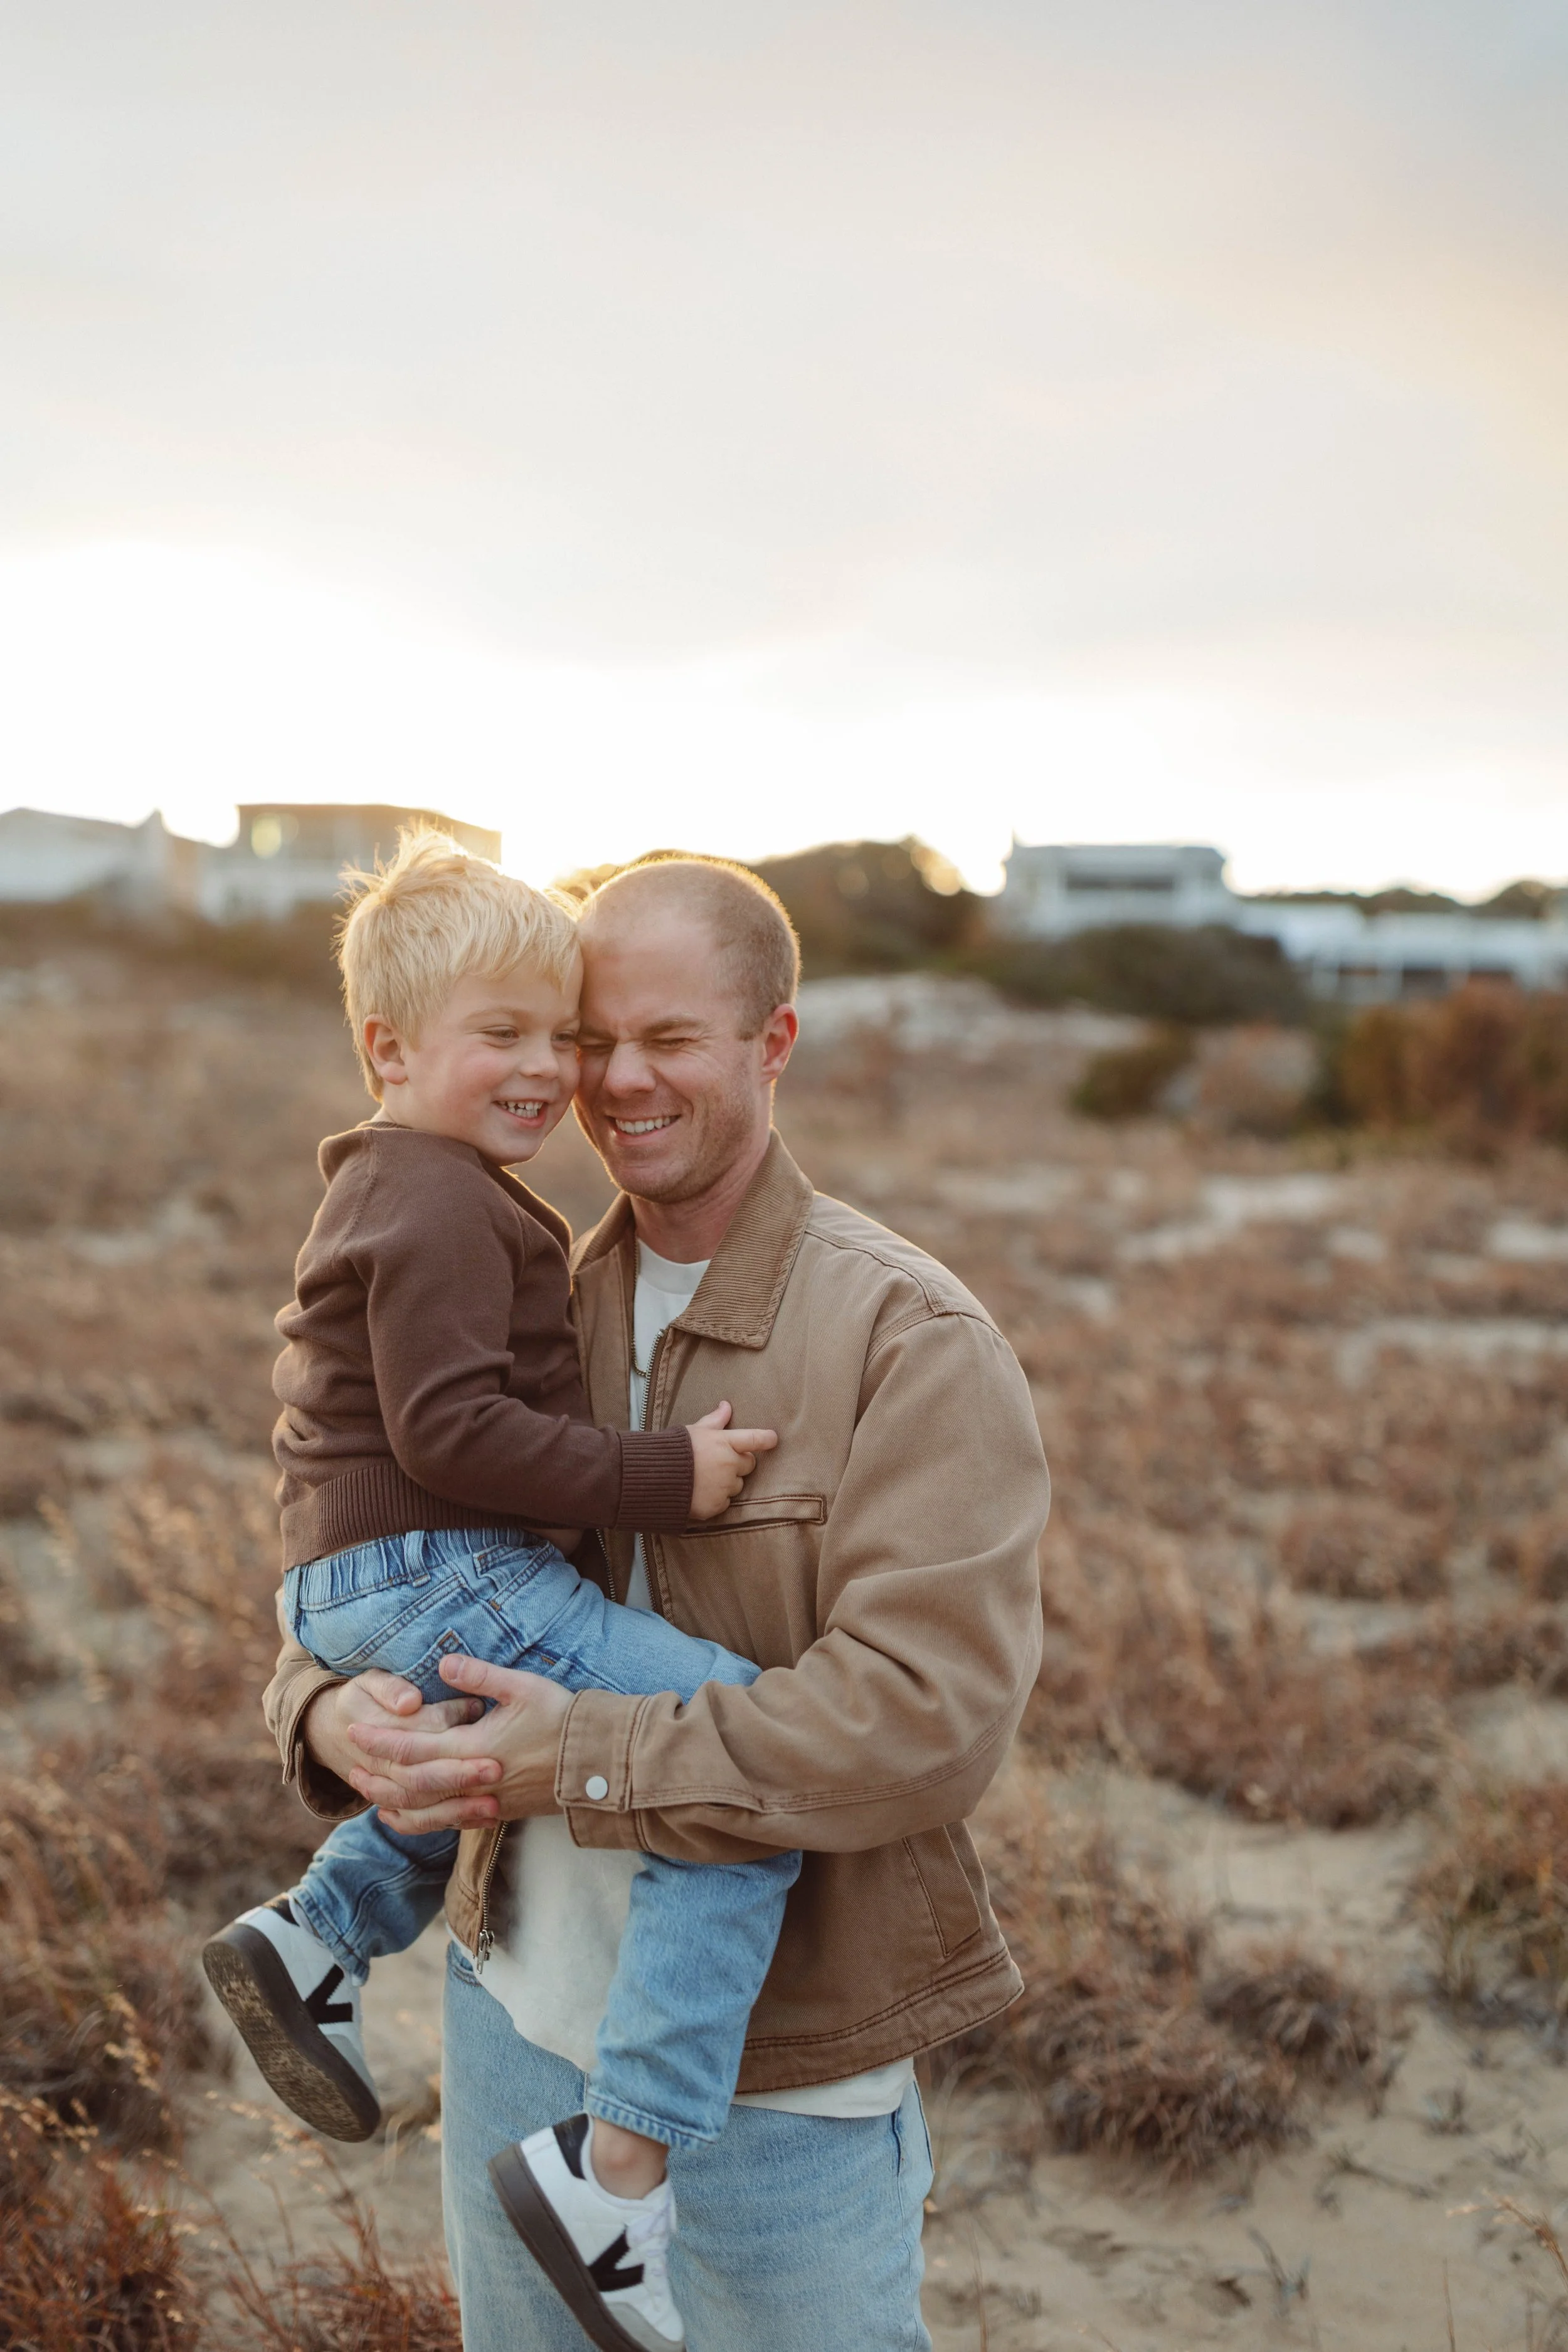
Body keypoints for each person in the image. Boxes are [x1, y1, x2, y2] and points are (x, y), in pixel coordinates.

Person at [265, 853, 1052, 2352]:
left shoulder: (909, 1339)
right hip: (511, 2019)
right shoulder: (523, 1284)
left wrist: (573, 1754)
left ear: (773, 1042)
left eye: (668, 1039)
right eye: (586, 1035)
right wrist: (318, 1711)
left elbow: (926, 1726)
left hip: (776, 2084)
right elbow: (370, 1550)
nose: (613, 1079)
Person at [205, 832, 799, 2352]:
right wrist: (666, 1475)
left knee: (488, 1754)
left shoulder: (412, 1186)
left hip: (371, 1578)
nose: (552, 1072)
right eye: (509, 1036)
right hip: (437, 1565)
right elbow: (453, 1434)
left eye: (569, 1036)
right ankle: (619, 2169)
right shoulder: (446, 1203)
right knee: (738, 1760)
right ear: (386, 1049)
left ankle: (322, 1926)